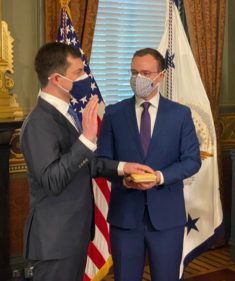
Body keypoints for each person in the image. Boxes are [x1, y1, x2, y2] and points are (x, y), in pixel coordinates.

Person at [21, 42, 153, 281]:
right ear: (56, 79)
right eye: (78, 73)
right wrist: (86, 140)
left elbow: (85, 165)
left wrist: (123, 168)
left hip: (71, 236)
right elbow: (53, 180)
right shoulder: (40, 122)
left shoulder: (66, 113)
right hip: (55, 241)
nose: (85, 77)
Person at [96, 47, 201, 281]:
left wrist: (159, 177)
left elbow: (192, 161)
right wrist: (124, 176)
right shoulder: (114, 114)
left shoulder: (180, 114)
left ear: (160, 76)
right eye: (134, 72)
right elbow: (101, 162)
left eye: (144, 72)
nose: (138, 79)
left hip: (167, 219)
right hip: (125, 218)